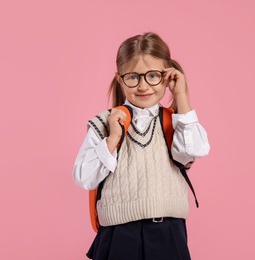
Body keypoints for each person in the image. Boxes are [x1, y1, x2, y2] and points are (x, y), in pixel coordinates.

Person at [72, 32, 210, 260]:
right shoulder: (105, 123)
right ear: (120, 79)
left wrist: (181, 97)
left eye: (153, 76)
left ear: (167, 76)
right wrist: (112, 139)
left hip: (168, 234)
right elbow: (83, 177)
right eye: (133, 77)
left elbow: (194, 151)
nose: (143, 85)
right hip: (119, 235)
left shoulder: (178, 122)